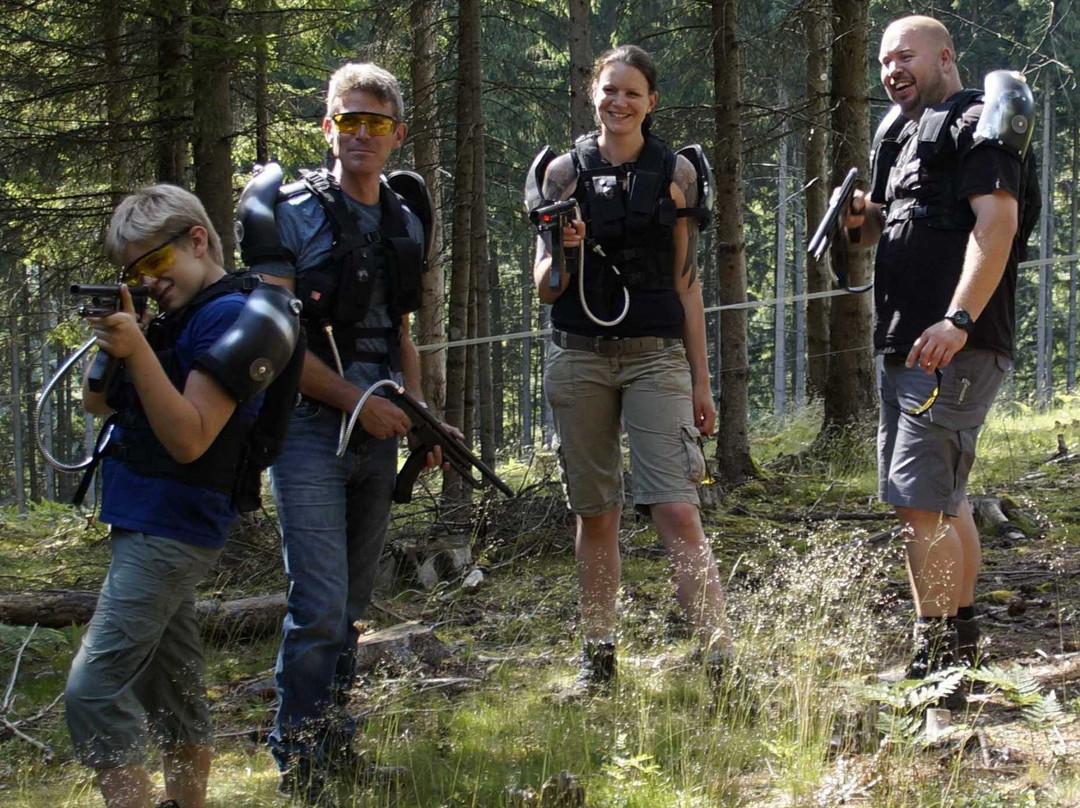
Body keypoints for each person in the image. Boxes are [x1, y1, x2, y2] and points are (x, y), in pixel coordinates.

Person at [239, 63, 455, 799]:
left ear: (396, 133)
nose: (360, 134)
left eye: (376, 122)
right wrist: (359, 405)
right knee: (319, 603)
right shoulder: (290, 213)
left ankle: (335, 748)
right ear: (328, 127)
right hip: (306, 432)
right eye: (347, 119)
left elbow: (399, 328)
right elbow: (271, 345)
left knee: (353, 606)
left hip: (381, 431)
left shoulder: (403, 214)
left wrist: (420, 415)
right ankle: (298, 760)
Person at [65, 185, 299, 808]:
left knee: (92, 691)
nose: (148, 281)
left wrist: (140, 349)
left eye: (156, 264)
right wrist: (122, 344)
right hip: (144, 519)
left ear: (198, 239)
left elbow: (192, 438)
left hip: (173, 524)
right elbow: (97, 402)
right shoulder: (174, 318)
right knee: (170, 692)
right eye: (134, 271)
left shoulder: (229, 317)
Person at [528, 45, 733, 696]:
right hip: (579, 355)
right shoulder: (561, 175)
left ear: (652, 101)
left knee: (676, 507)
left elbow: (688, 284)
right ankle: (599, 659)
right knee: (597, 514)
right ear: (594, 94)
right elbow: (544, 287)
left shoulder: (676, 173)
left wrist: (702, 383)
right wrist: (560, 251)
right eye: (609, 90)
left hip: (656, 356)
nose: (618, 102)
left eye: (632, 93)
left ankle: (719, 655)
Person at [843, 15, 1037, 695]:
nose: (892, 69)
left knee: (918, 502)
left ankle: (935, 658)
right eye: (883, 61)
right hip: (905, 342)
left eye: (905, 57)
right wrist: (860, 219)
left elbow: (998, 224)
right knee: (939, 500)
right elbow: (887, 231)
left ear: (946, 57)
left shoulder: (976, 123)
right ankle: (960, 642)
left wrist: (957, 319)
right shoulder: (897, 136)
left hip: (955, 342)